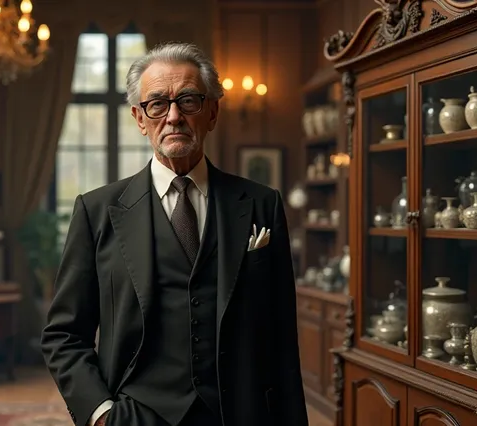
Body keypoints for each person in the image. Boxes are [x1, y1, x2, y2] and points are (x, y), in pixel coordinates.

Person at [41, 42, 307, 426]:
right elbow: (64, 335)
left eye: (188, 101)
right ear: (139, 118)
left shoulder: (262, 204)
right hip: (135, 416)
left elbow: (282, 339)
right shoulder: (95, 211)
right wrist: (102, 415)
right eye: (157, 104)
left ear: (212, 111)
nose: (174, 116)